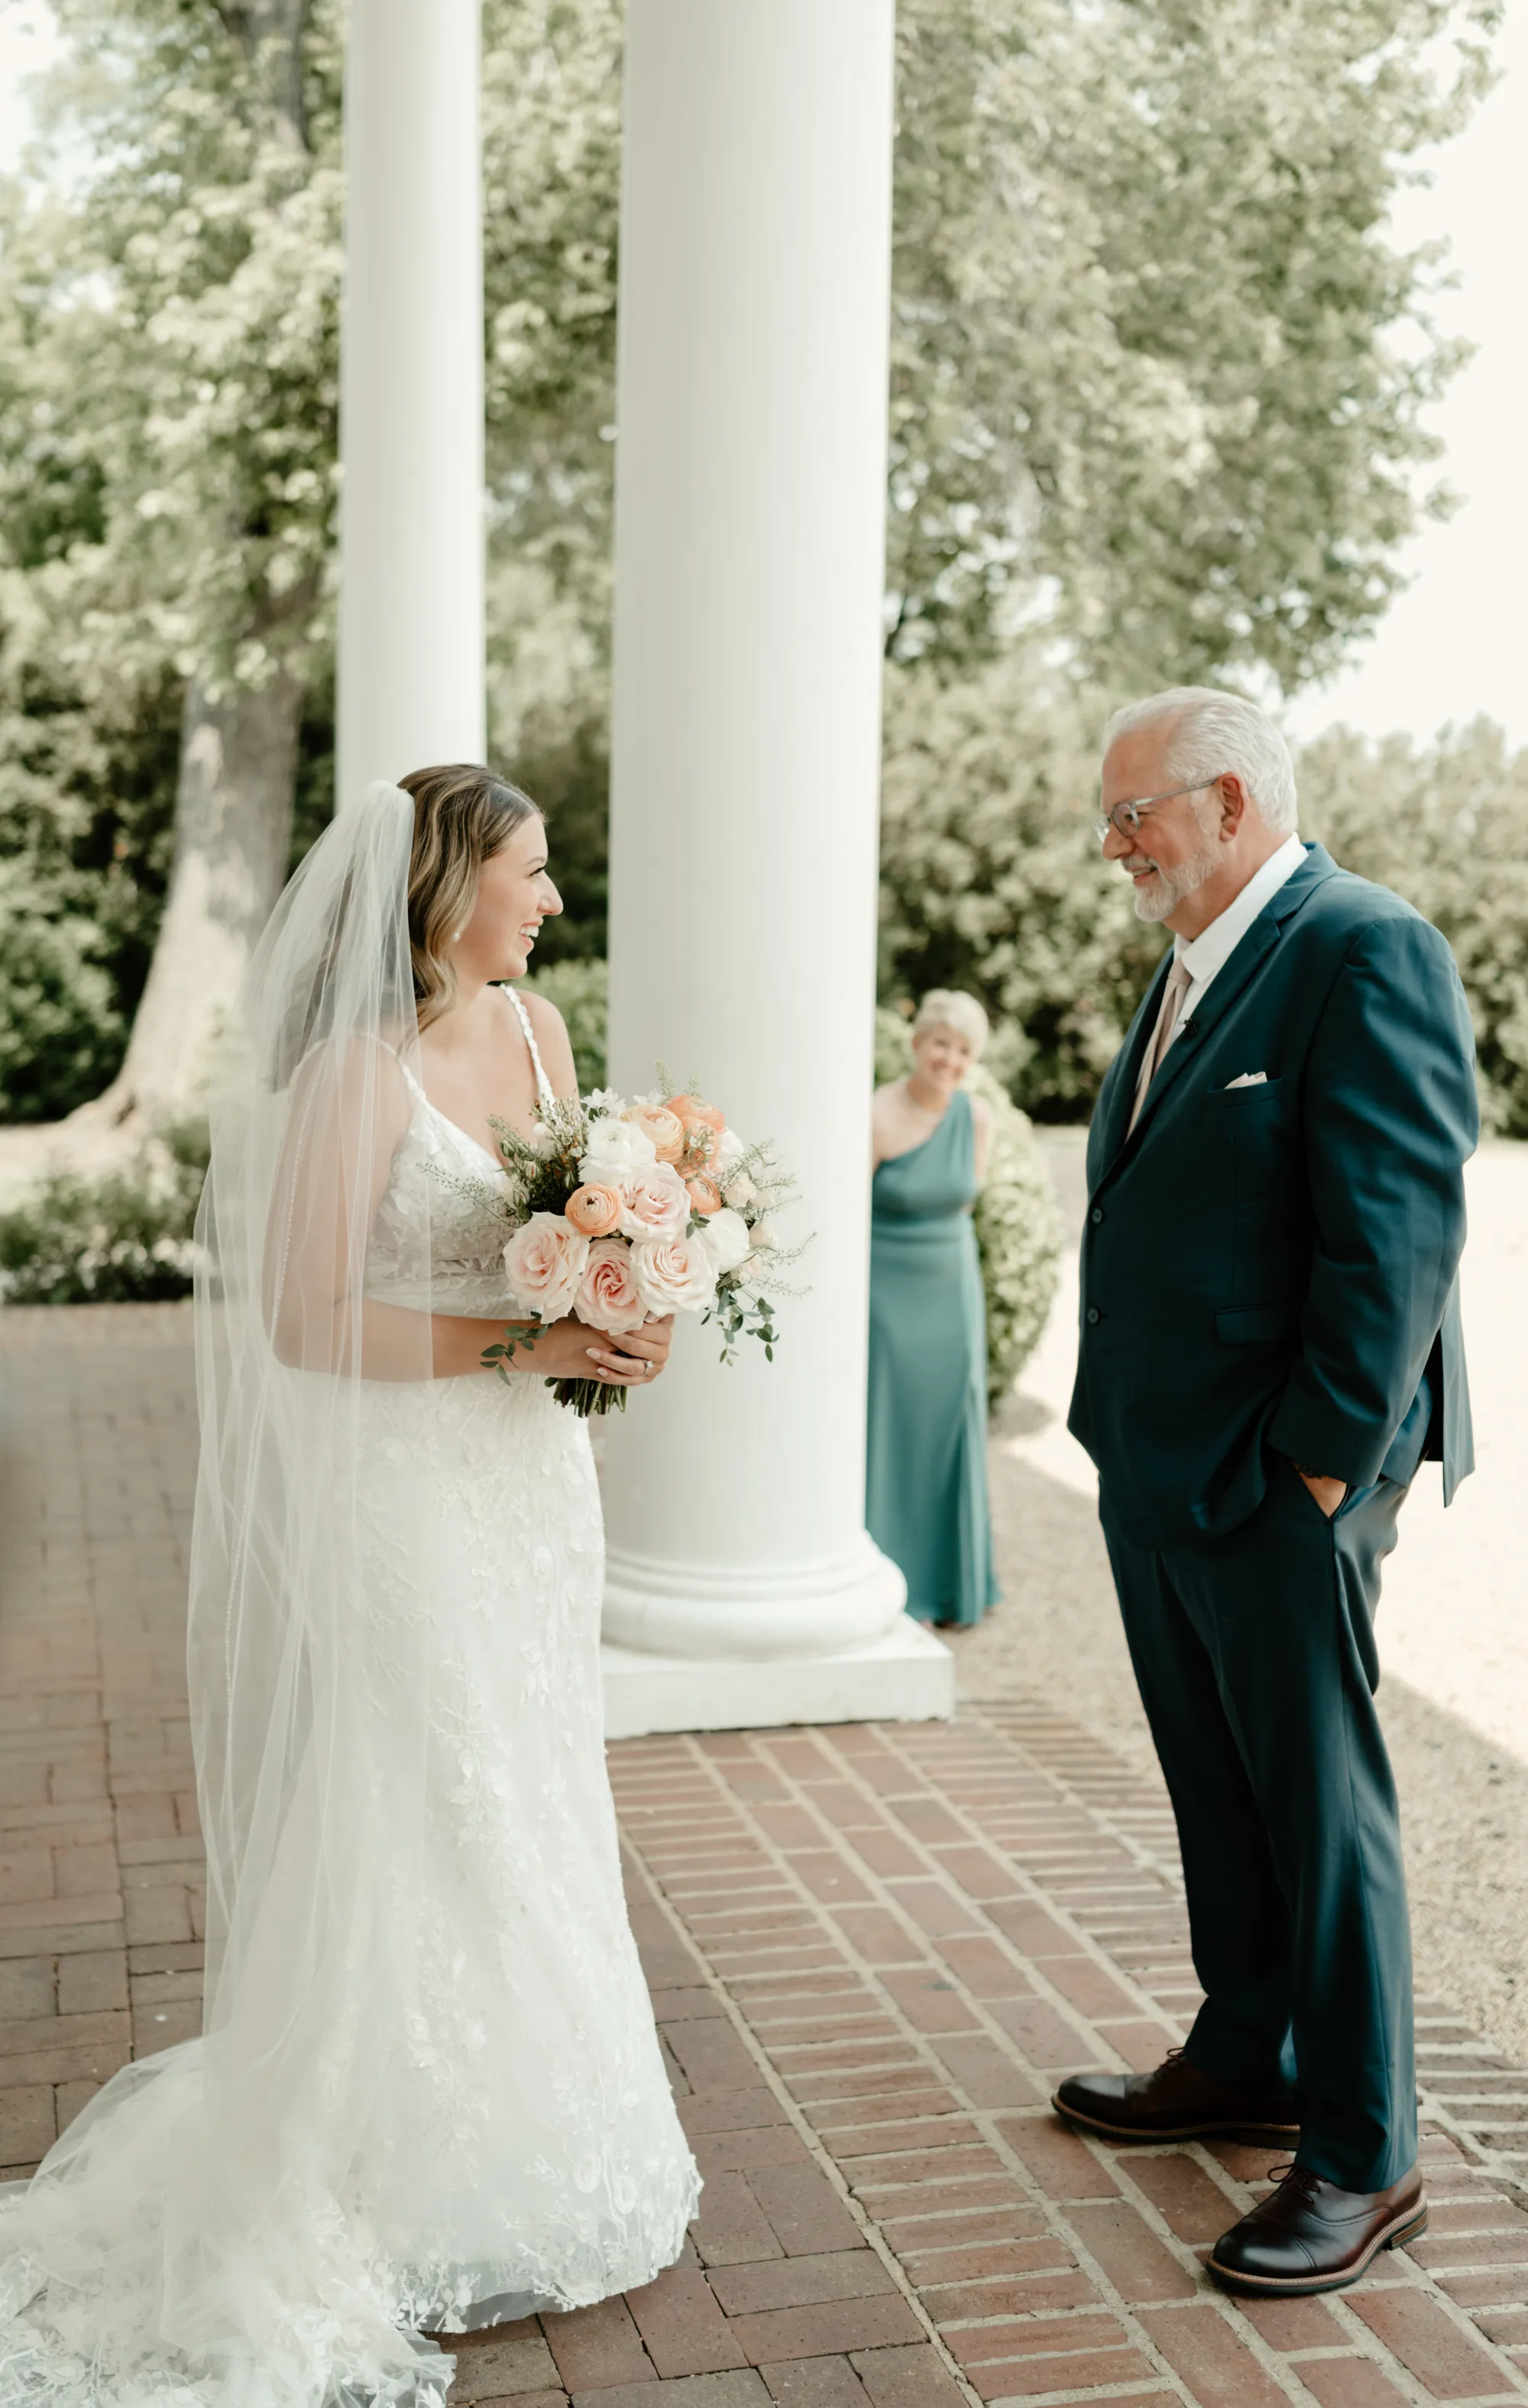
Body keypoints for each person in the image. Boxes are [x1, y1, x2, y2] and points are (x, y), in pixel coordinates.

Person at [0, 770, 699, 2403]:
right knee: (422, 1791)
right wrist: (531, 1331)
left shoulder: (534, 1033)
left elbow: (576, 1221)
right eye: (527, 874)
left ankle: (554, 2134)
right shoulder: (352, 1073)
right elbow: (306, 1323)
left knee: (528, 1788)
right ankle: (392, 2168)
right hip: (406, 1492)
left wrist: (632, 1301)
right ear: (448, 884)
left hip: (530, 1476)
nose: (549, 901)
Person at [1054, 689, 1477, 2298]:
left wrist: (1317, 1468)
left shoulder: (1365, 945)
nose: (1113, 847)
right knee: (1214, 1788)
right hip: (1154, 1462)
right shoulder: (1187, 968)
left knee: (1321, 1811)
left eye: (1130, 815)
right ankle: (1245, 2056)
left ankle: (1368, 2157)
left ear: (1227, 801)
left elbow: (1394, 1239)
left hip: (1275, 1476)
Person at [867, 990, 999, 1628]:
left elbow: (965, 1202)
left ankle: (951, 1585)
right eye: (941, 1042)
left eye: (964, 1049)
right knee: (891, 1426)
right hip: (884, 1295)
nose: (950, 1058)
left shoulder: (976, 1118)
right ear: (918, 1043)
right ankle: (887, 1579)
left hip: (952, 1291)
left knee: (950, 1424)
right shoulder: (876, 1113)